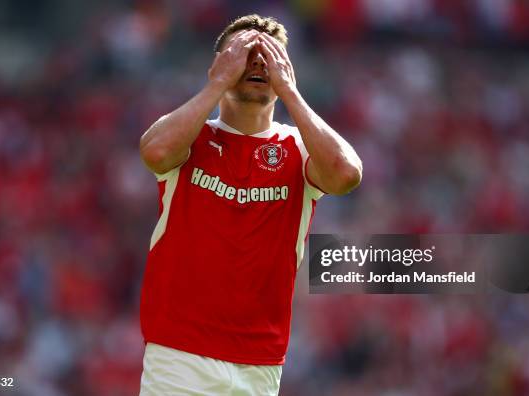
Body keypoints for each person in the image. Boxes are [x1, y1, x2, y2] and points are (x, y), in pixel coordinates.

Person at [138, 14, 362, 395]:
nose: (257, 64)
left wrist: (290, 92)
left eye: (269, 58)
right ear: (220, 64)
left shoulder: (299, 149)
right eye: (244, 55)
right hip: (179, 355)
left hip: (259, 365)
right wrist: (217, 83)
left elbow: (346, 174)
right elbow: (155, 151)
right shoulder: (190, 136)